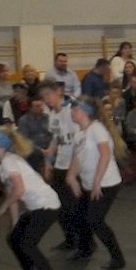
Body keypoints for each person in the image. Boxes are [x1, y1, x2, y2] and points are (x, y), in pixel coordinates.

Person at [0, 128, 63, 270]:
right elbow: (12, 193)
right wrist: (15, 222)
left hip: (47, 205)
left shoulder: (9, 162)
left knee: (28, 244)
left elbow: (19, 190)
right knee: (14, 238)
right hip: (37, 207)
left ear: (0, 145)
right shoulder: (3, 165)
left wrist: (3, 207)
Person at [65, 97, 127, 270]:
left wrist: (97, 182)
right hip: (89, 183)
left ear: (85, 112)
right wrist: (71, 176)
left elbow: (105, 155)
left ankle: (118, 258)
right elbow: (77, 158)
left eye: (75, 110)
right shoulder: (80, 134)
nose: (72, 112)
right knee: (80, 216)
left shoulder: (96, 129)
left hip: (106, 183)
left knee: (95, 220)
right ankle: (85, 249)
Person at [39, 80, 80, 250]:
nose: (46, 99)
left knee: (73, 205)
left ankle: (84, 241)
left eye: (48, 94)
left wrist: (73, 170)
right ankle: (70, 238)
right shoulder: (53, 114)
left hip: (74, 163)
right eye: (43, 96)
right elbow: (56, 139)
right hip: (61, 162)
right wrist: (48, 161)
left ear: (58, 91)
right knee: (59, 204)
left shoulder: (69, 110)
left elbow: (79, 140)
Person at [17, 95, 52, 175]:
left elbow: (53, 135)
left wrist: (51, 148)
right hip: (33, 149)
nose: (41, 108)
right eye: (37, 106)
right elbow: (24, 141)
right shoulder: (24, 120)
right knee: (34, 155)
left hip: (49, 147)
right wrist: (41, 150)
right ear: (30, 108)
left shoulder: (47, 118)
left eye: (41, 105)